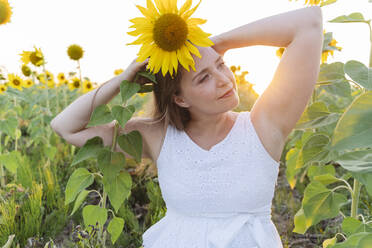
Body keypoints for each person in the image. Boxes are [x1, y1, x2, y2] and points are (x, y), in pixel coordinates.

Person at [51, 5, 323, 248]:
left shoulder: (263, 126)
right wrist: (124, 79)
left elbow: (308, 21)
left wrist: (215, 42)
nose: (224, 80)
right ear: (179, 98)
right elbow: (66, 127)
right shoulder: (158, 136)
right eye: (204, 78)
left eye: (221, 65)